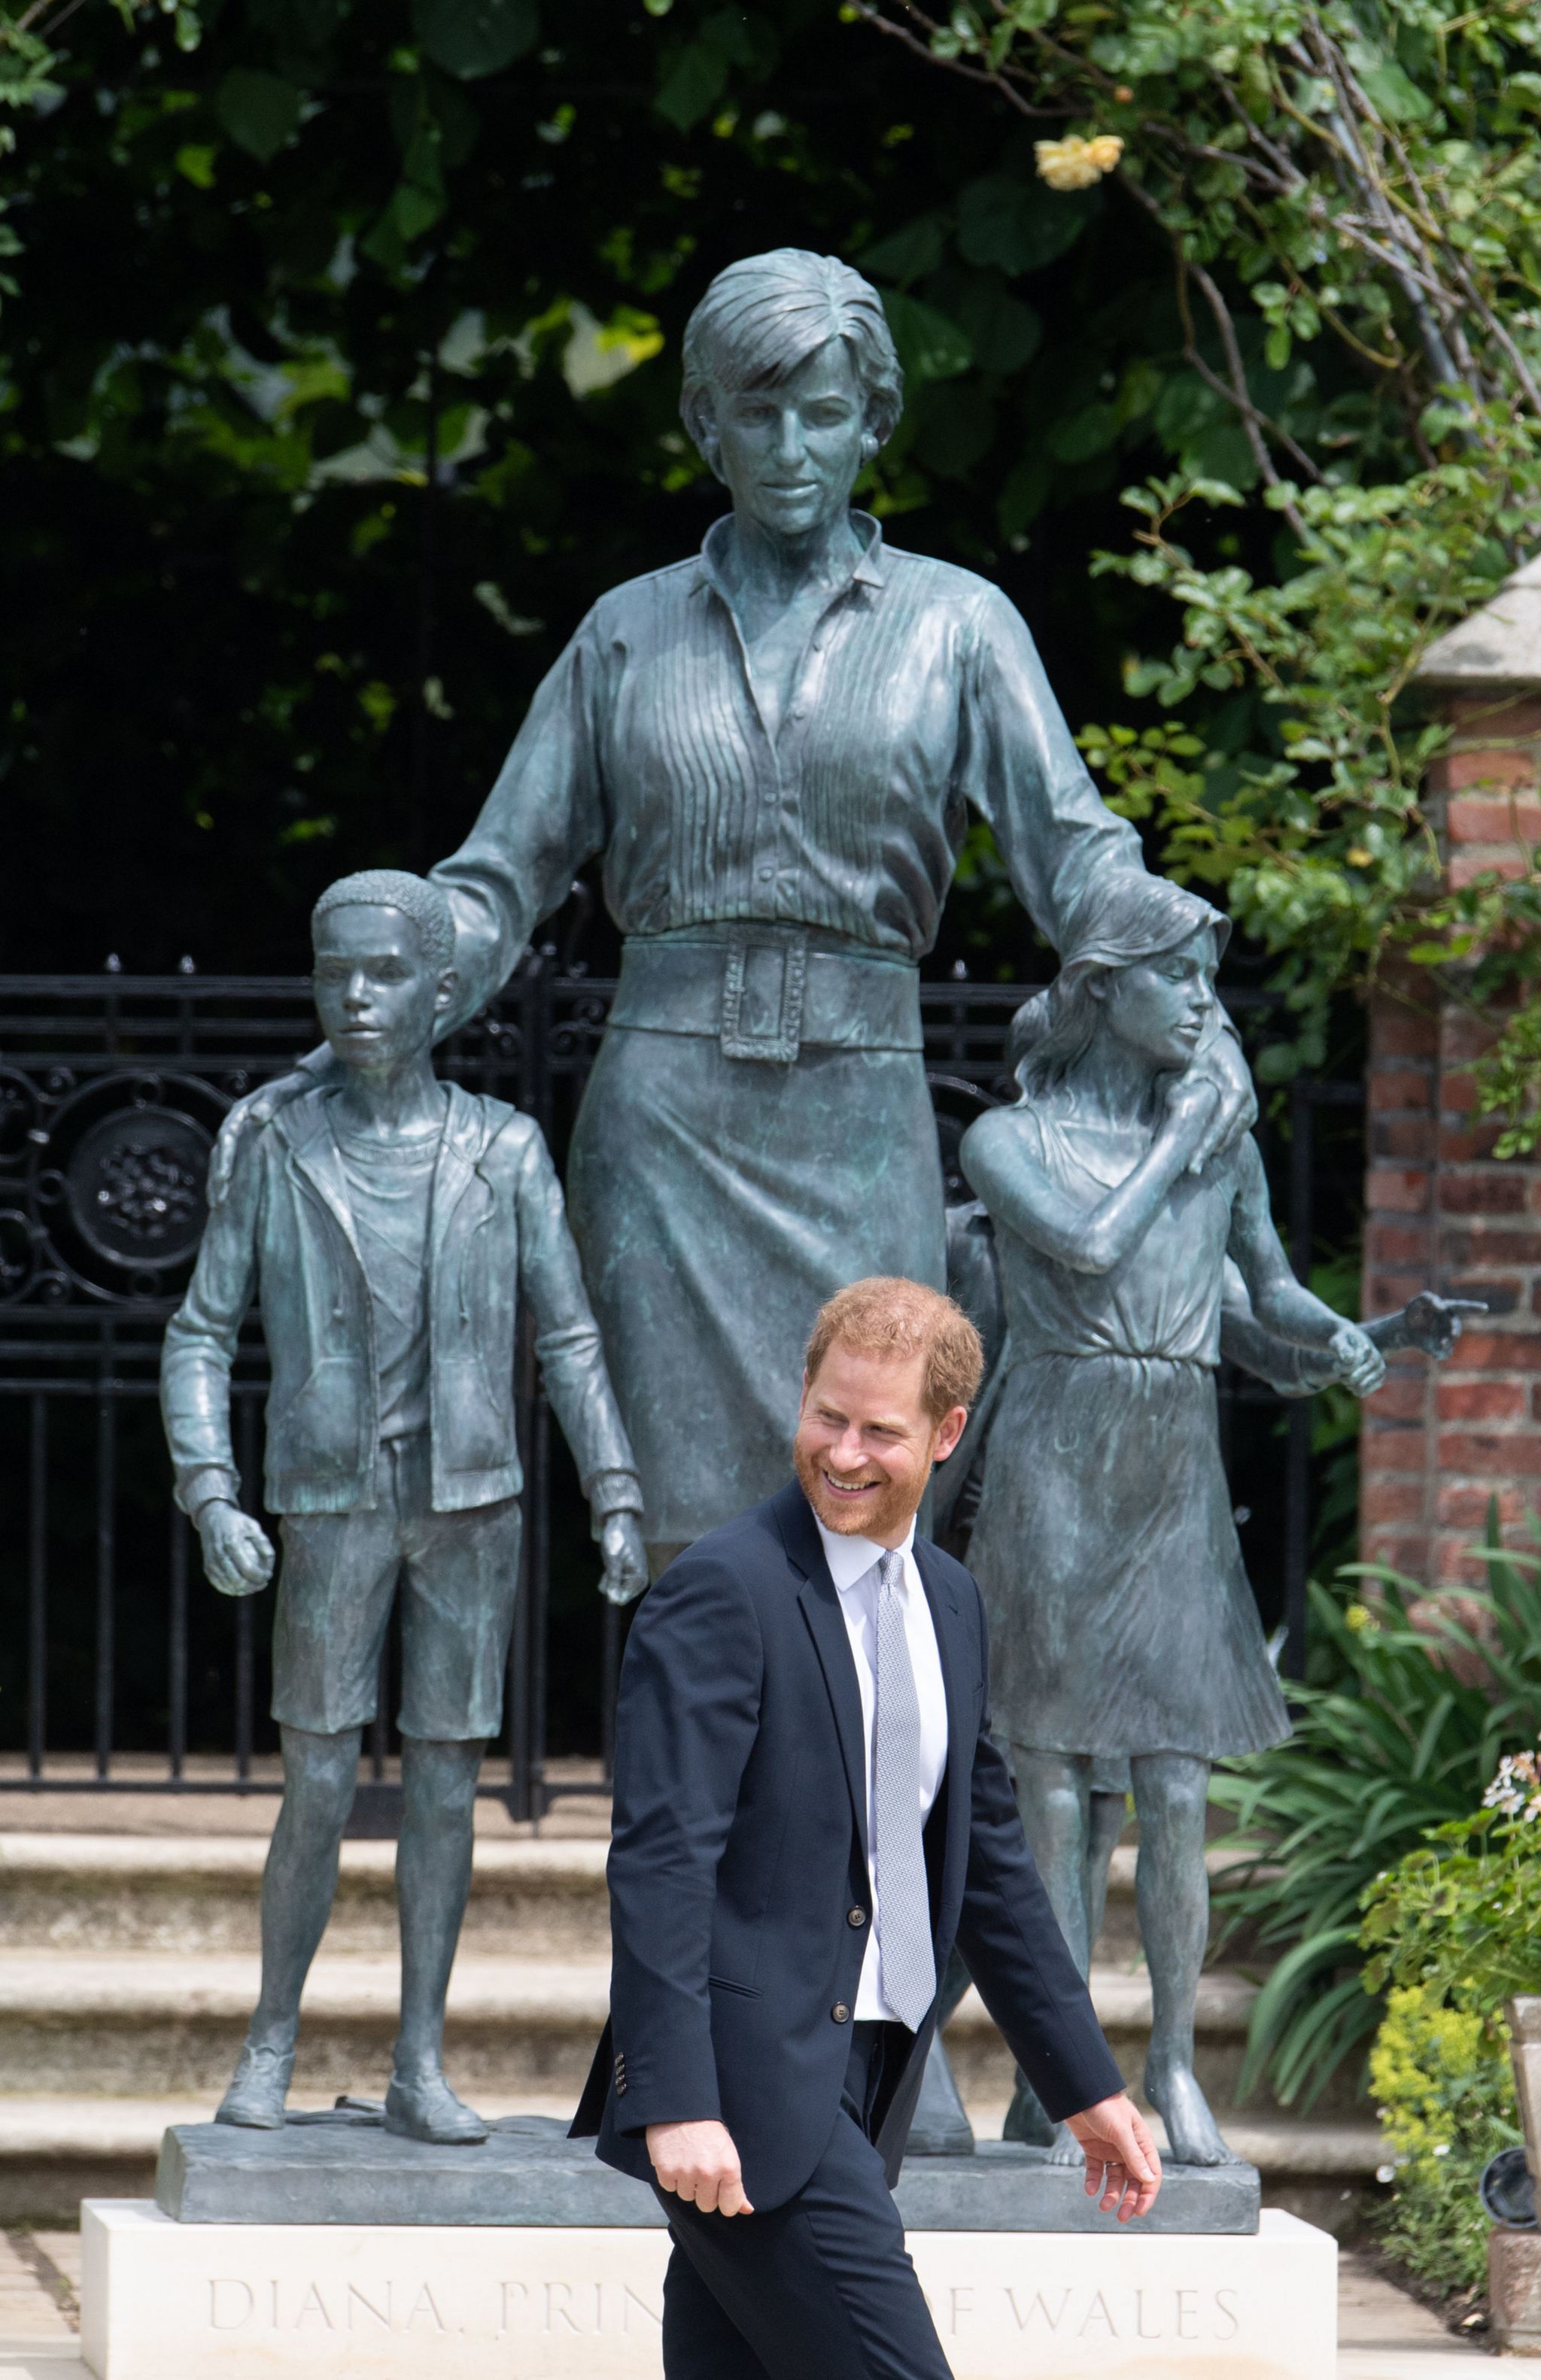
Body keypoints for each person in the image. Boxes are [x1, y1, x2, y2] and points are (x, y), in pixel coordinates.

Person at [208, 247, 1253, 1578]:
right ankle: (690, 1791)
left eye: (823, 414)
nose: (791, 448)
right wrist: (388, 1011)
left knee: (863, 1487)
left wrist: (1185, 986)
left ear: (875, 420)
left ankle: (837, 1794)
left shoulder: (960, 628)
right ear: (706, 423)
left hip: (861, 1109)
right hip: (665, 1124)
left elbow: (1079, 860)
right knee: (678, 1523)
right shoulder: (627, 634)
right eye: (756, 414)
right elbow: (496, 882)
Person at [570, 1277, 1160, 2380]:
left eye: (879, 1432)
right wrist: (679, 2103)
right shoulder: (721, 1591)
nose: (843, 1452)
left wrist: (1085, 2083)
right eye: (826, 1415)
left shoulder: (948, 1600)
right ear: (801, 1390)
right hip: (746, 2094)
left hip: (862, 2077)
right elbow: (660, 1865)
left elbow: (986, 1863)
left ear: (945, 1434)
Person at [161, 869, 647, 2142]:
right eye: (336, 973)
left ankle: (418, 2061)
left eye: (383, 975)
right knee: (317, 1780)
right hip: (329, 1502)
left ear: (443, 993)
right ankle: (271, 2038)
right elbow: (200, 1335)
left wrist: (616, 1494)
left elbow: (573, 1337)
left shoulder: (502, 1148)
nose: (357, 998)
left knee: (445, 1785)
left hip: (469, 1505)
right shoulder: (275, 1142)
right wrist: (212, 1493)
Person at [957, 873, 1389, 2168]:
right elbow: (1089, 1248)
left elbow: (1263, 1300)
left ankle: (1172, 2073)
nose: (1204, 1005)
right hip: (1055, 1455)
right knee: (1046, 1787)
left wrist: (1341, 1341)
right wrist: (1188, 1128)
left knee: (1178, 1782)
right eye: (1180, 979)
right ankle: (1053, 2067)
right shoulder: (1010, 1142)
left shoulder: (1223, 1144)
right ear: (1102, 990)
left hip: (1171, 1465)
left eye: (1209, 981)